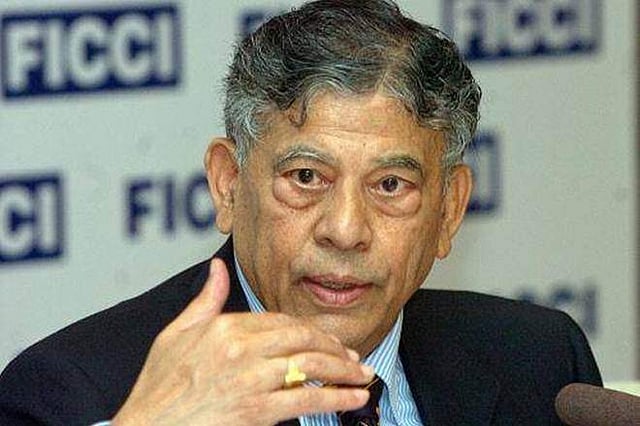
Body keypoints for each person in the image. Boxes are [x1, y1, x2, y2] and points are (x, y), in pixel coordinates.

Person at [0, 0, 601, 425]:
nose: (345, 230)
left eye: (390, 185)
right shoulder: (72, 394)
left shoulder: (538, 361)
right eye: (306, 178)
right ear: (229, 184)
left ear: (449, 210)